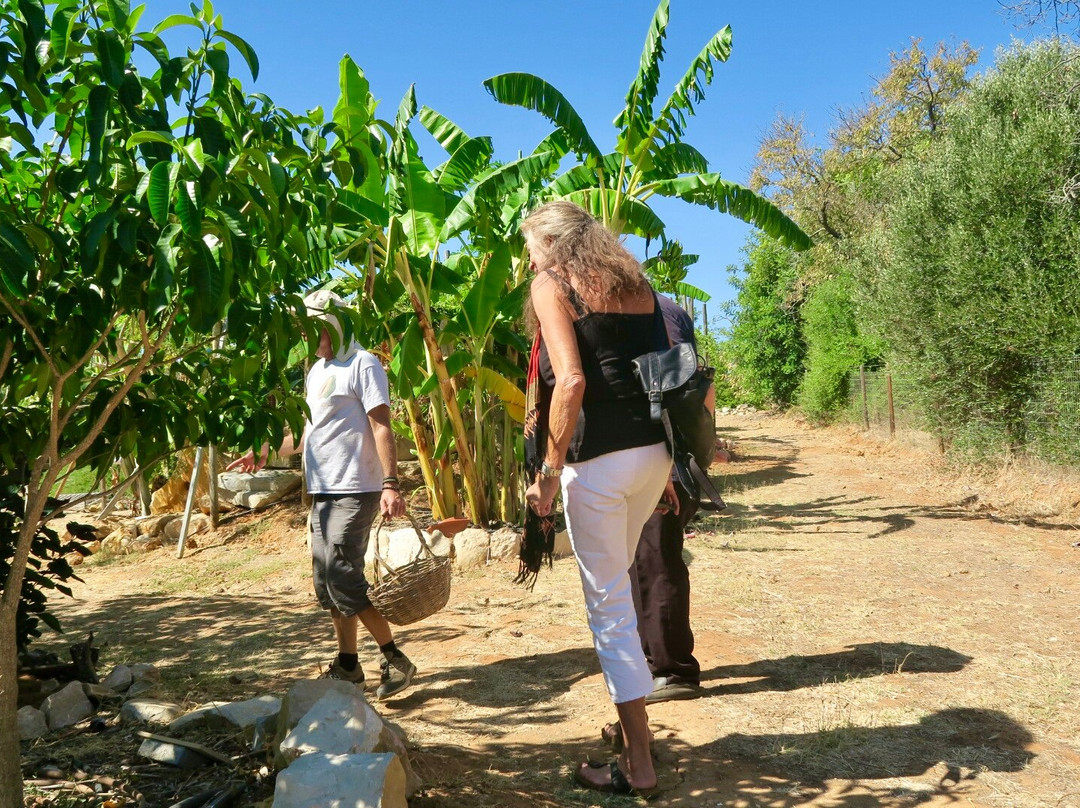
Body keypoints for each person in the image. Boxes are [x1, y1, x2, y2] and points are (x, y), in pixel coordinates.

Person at [521, 200, 675, 797]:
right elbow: (664, 366)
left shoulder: (551, 283)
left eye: (531, 246)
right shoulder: (635, 281)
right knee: (621, 583)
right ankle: (630, 720)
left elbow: (573, 379)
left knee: (608, 606)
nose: (528, 258)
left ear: (553, 245)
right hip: (651, 454)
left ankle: (638, 765)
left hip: (600, 463)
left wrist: (550, 470)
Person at [226, 290, 417, 701]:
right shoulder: (317, 371)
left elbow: (382, 425)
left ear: (336, 322)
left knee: (342, 576)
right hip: (323, 491)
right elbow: (308, 433)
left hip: (355, 487)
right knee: (325, 582)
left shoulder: (362, 363)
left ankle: (394, 658)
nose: (307, 333)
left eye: (314, 325)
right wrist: (262, 451)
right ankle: (348, 665)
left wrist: (390, 482)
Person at [631, 294, 708, 704]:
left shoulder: (651, 312)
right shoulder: (656, 307)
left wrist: (669, 464)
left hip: (663, 454)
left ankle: (672, 669)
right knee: (642, 562)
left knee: (655, 559)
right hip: (659, 454)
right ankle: (653, 662)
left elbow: (674, 384)